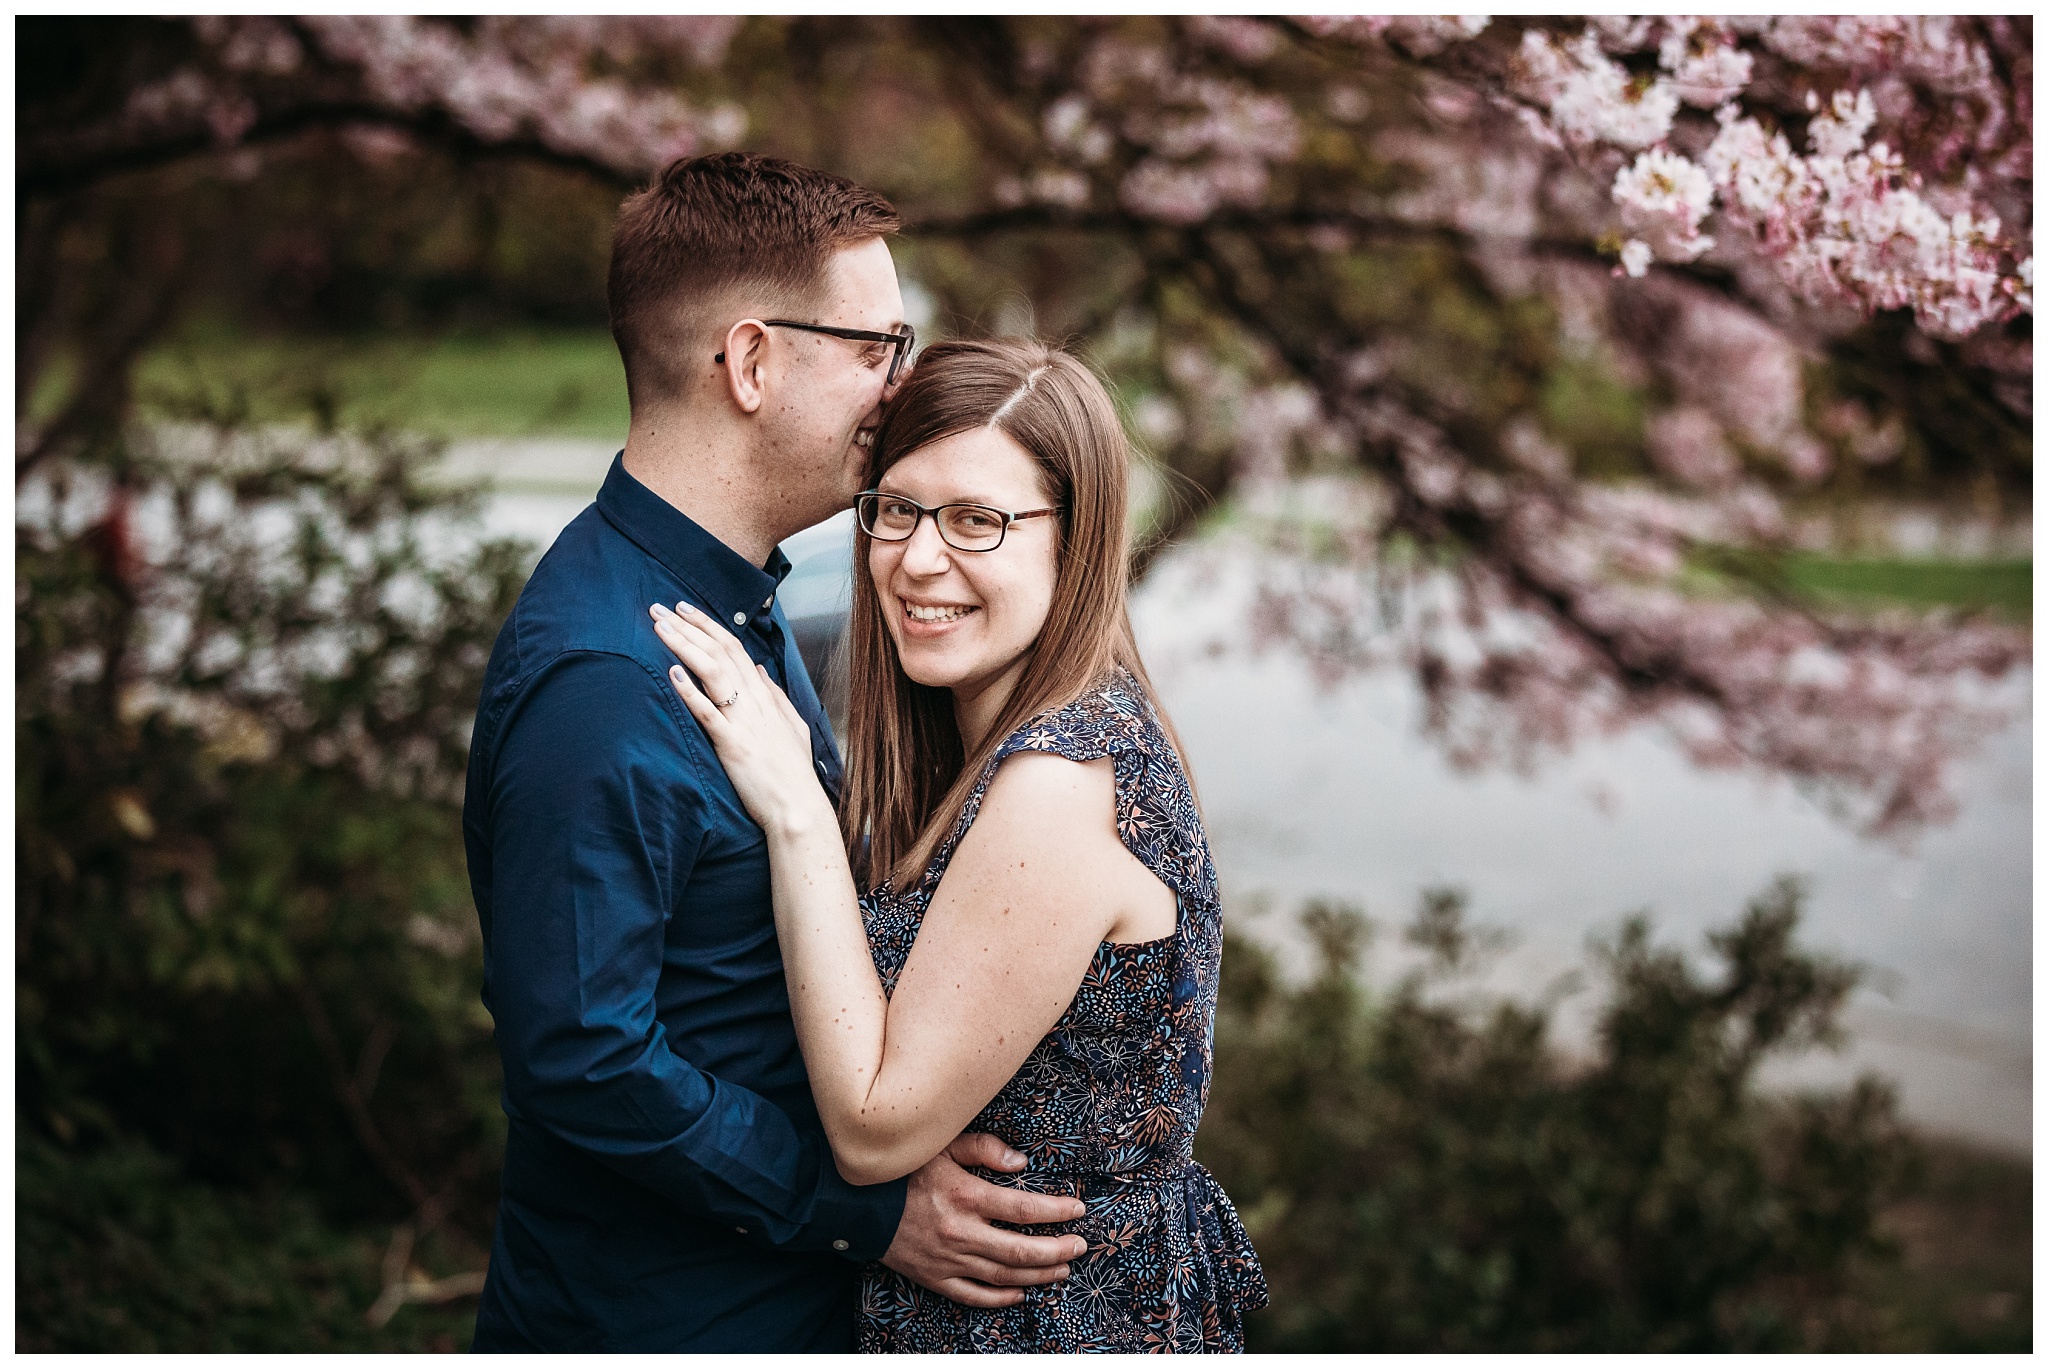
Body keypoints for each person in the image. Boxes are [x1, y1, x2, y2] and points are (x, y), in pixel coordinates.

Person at [461, 154, 1091, 1353]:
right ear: (752, 361)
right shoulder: (606, 680)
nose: (898, 388)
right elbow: (581, 1059)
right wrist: (859, 1210)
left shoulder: (727, 605)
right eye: (875, 349)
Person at [647, 338, 1270, 1351]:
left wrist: (798, 815)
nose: (917, 557)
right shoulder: (1007, 740)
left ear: (1073, 540)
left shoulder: (1055, 785)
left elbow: (874, 1125)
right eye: (896, 508)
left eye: (978, 520)